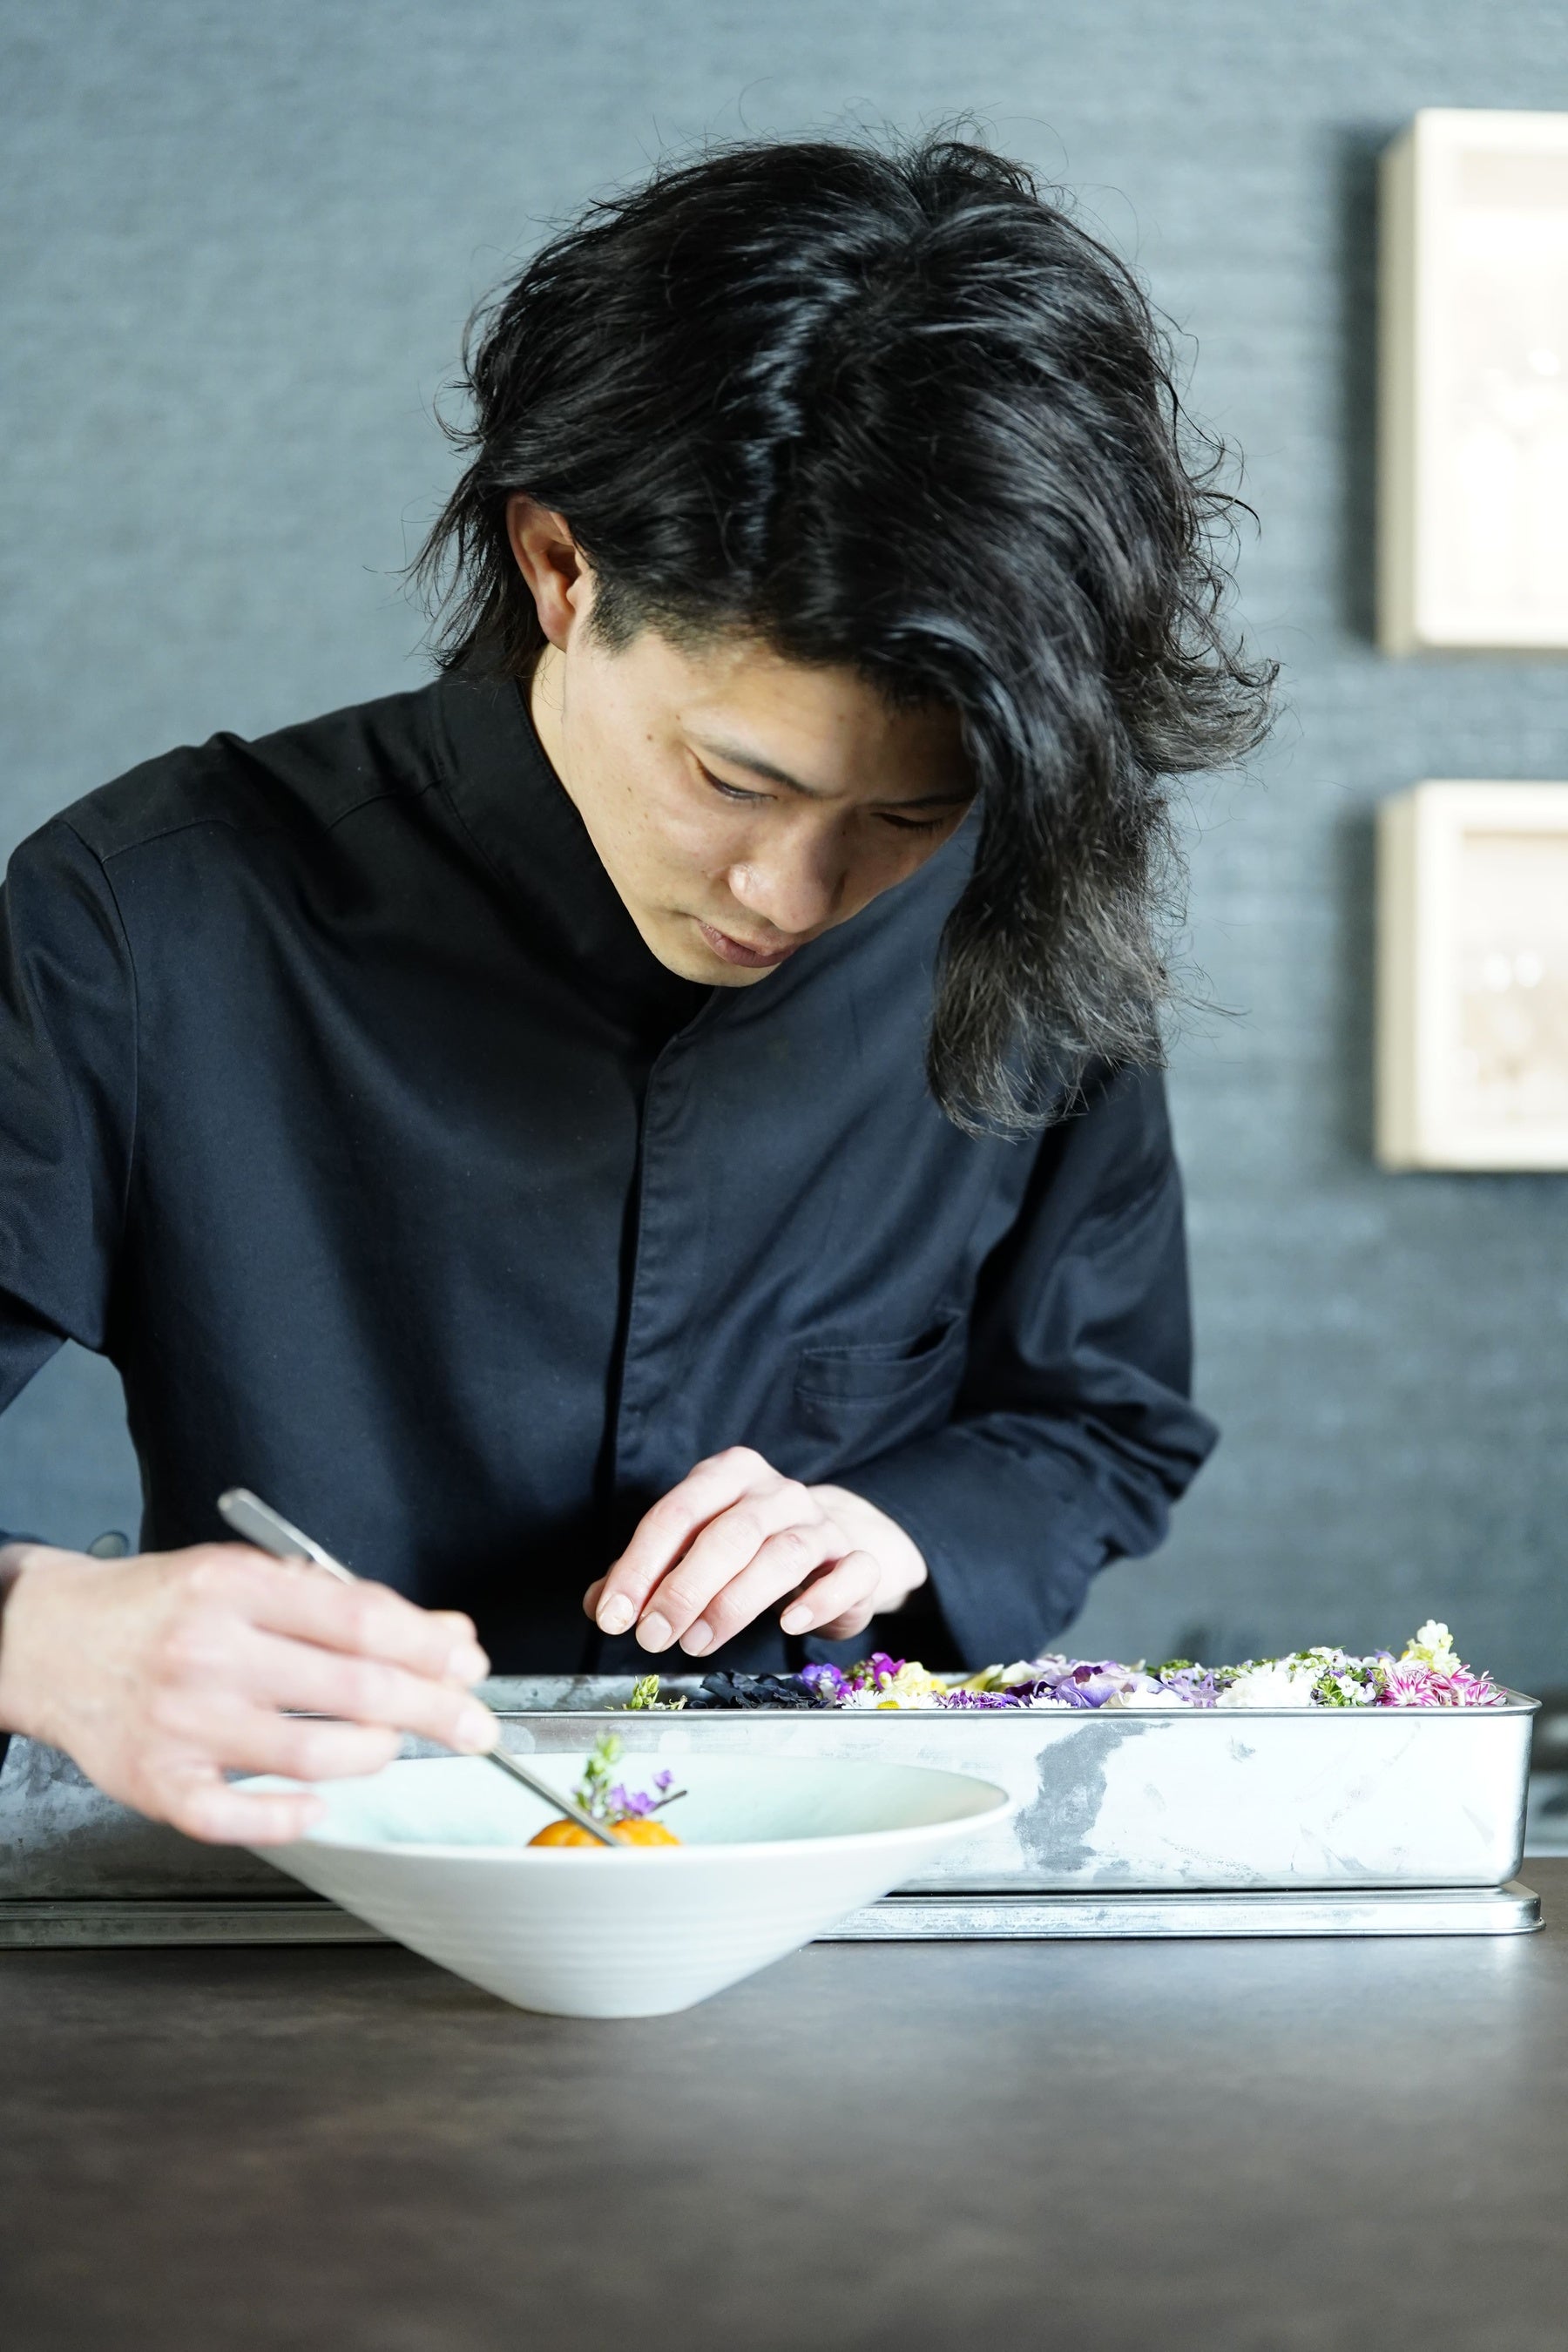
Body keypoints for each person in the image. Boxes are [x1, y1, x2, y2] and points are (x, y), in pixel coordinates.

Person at [0, 134, 1270, 1845]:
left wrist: (903, 1526)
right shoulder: (154, 912)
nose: (791, 895)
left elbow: (1099, 1427)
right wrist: (36, 1629)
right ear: (560, 570)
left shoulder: (1021, 916)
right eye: (735, 780)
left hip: (845, 1900)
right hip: (309, 1902)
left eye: (909, 814)